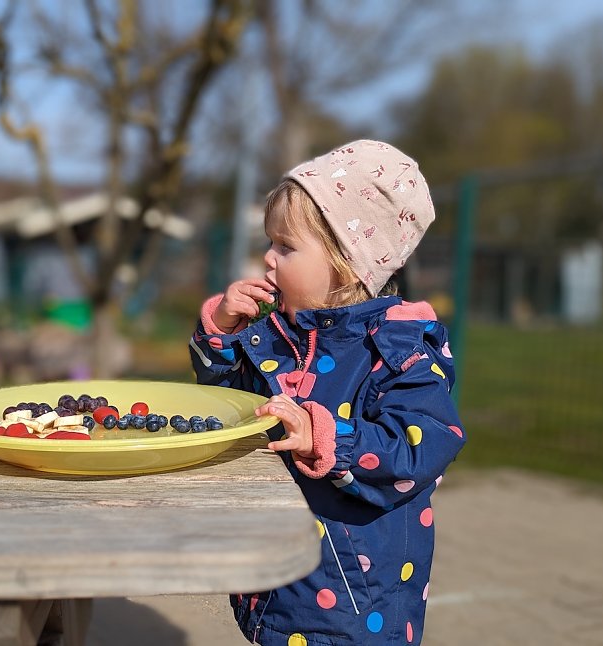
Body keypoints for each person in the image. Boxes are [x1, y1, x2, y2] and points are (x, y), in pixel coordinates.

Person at [189, 139, 466, 645]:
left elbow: (423, 443)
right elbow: (231, 407)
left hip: (354, 604)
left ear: (346, 262)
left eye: (286, 247)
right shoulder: (277, 337)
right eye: (270, 243)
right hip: (277, 581)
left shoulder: (397, 347)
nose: (268, 259)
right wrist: (223, 336)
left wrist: (327, 437)